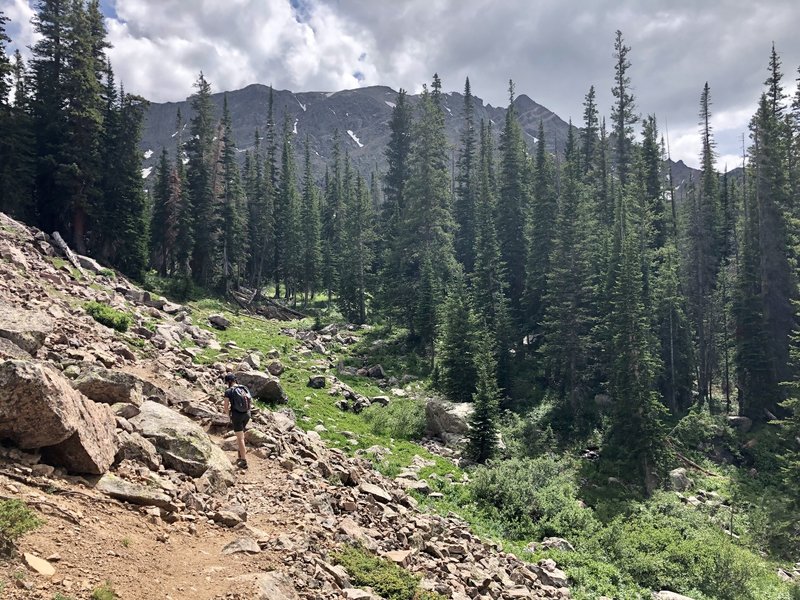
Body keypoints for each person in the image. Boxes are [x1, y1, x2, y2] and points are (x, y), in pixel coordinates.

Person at [222, 373, 251, 469]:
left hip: (237, 415)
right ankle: (241, 454)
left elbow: (225, 407)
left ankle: (244, 461)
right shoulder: (243, 388)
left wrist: (229, 415)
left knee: (240, 438)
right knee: (241, 434)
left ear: (228, 382)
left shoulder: (229, 391)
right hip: (247, 414)